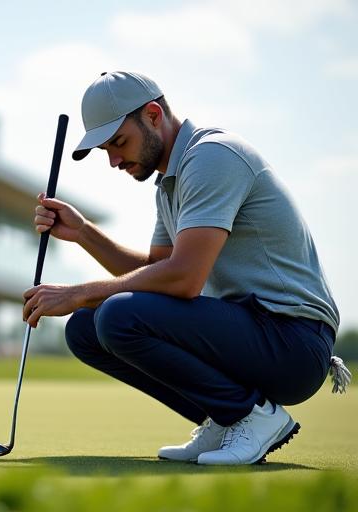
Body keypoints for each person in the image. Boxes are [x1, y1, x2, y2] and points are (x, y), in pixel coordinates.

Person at [24, 71, 351, 465]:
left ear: (152, 115)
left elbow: (183, 279)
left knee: (115, 314)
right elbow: (155, 272)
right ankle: (227, 418)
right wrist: (84, 233)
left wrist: (78, 291)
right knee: (85, 327)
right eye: (105, 150)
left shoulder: (212, 156)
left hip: (292, 342)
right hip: (252, 333)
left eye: (118, 142)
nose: (112, 161)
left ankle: (250, 416)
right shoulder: (170, 184)